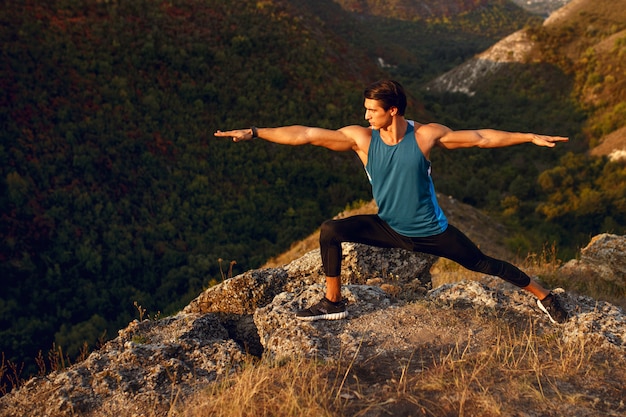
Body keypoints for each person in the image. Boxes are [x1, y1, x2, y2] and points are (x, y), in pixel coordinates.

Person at [214, 79, 569, 324]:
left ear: (393, 110)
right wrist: (256, 132)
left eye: (372, 110)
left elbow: (481, 138)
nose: (366, 115)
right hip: (389, 229)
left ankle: (544, 296)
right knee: (330, 230)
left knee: (482, 263)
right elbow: (305, 134)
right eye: (366, 109)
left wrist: (528, 136)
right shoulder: (361, 139)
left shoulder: (426, 136)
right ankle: (332, 302)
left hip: (432, 232)